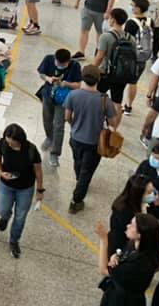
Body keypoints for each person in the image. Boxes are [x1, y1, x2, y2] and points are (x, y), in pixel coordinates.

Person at [64, 65, 121, 213]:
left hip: (76, 137)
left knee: (78, 162)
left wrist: (75, 125)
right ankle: (76, 200)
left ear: (83, 78)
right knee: (87, 172)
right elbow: (113, 123)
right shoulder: (104, 100)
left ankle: (79, 180)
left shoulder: (73, 95)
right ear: (99, 79)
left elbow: (67, 117)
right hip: (95, 142)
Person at [0, 123, 44, 258]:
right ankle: (5, 217)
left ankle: (14, 241)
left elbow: (38, 171)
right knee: (2, 208)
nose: (10, 145)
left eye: (13, 143)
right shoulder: (3, 143)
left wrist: (40, 190)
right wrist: (0, 172)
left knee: (21, 217)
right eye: (8, 141)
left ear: (20, 140)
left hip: (25, 188)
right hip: (7, 184)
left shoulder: (31, 150)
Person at [94, 213, 159, 306]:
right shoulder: (138, 245)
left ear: (140, 234)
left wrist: (104, 240)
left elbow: (103, 270)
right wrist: (115, 257)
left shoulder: (139, 263)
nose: (128, 225)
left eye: (132, 225)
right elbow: (122, 255)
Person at [37, 48, 82, 167]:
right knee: (47, 119)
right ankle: (49, 137)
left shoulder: (75, 66)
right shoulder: (48, 59)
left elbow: (78, 85)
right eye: (58, 63)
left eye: (63, 64)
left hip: (63, 100)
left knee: (59, 126)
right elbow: (41, 73)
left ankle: (55, 153)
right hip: (48, 95)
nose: (60, 66)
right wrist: (48, 79)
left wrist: (66, 84)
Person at [107, 174, 154, 258]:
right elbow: (121, 237)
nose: (152, 195)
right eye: (149, 193)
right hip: (121, 246)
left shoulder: (141, 203)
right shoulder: (124, 212)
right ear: (138, 194)